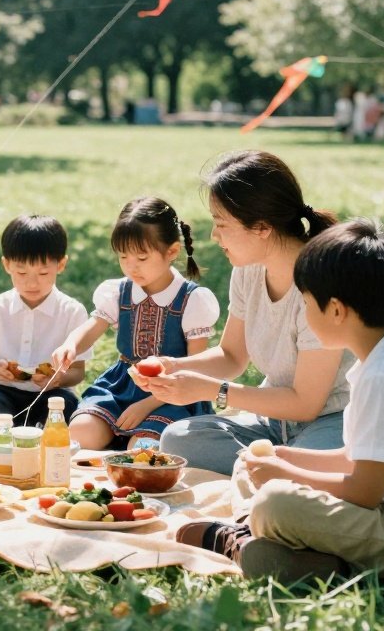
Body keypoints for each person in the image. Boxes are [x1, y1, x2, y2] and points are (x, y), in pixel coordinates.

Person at [179, 220, 384, 583]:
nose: (305, 316)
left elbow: (364, 492)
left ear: (337, 311)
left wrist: (287, 475)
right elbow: (354, 458)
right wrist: (287, 457)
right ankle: (307, 561)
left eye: (307, 304)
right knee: (251, 464)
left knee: (275, 501)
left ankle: (255, 533)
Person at [145, 151, 353, 475]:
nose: (214, 236)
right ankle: (272, 468)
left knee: (299, 477)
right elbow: (231, 356)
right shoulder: (248, 270)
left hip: (333, 422)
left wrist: (214, 391)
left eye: (221, 224)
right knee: (178, 439)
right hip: (276, 424)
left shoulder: (320, 284)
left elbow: (306, 403)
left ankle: (278, 470)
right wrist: (173, 367)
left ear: (261, 227)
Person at [52, 197, 220, 450]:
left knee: (141, 450)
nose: (131, 267)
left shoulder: (192, 300)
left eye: (141, 258)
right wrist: (70, 344)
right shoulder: (118, 291)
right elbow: (93, 325)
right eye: (123, 257)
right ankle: (115, 437)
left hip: (173, 392)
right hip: (123, 386)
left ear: (171, 252)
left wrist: (146, 404)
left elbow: (196, 368)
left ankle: (133, 439)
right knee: (79, 435)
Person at [0, 215, 91, 428]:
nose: (32, 282)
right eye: (21, 272)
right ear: (6, 265)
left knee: (59, 420)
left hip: (53, 394)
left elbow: (78, 371)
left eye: (43, 272)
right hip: (1, 389)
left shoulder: (72, 311)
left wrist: (56, 380)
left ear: (61, 264)